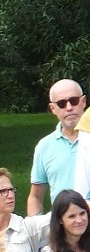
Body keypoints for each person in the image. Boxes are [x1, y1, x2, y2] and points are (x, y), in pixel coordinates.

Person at [29, 79, 85, 216]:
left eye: (74, 100)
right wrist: (36, 230)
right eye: (61, 103)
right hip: (62, 230)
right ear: (53, 109)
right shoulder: (44, 146)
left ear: (83, 102)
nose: (69, 107)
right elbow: (35, 197)